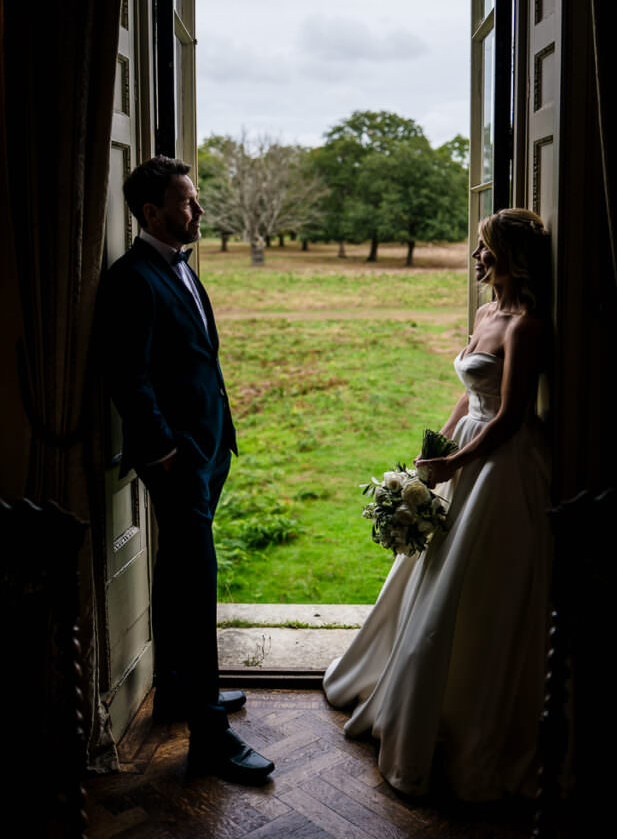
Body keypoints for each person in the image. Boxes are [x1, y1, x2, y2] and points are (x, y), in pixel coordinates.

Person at [323, 208, 552, 800]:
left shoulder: (527, 326)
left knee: (472, 593)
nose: (476, 258)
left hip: (497, 468)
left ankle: (459, 726)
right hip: (461, 456)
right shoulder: (484, 313)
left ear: (509, 257)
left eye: (484, 249)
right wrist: (434, 450)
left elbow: (510, 416)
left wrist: (457, 462)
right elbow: (468, 393)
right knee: (426, 575)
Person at [100, 156, 274, 784]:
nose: (198, 211)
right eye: (187, 202)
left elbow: (196, 359)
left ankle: (174, 689)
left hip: (207, 450)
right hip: (177, 460)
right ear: (152, 212)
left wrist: (212, 438)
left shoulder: (179, 268)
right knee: (197, 587)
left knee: (177, 574)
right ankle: (209, 735)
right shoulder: (132, 279)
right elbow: (129, 376)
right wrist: (165, 452)